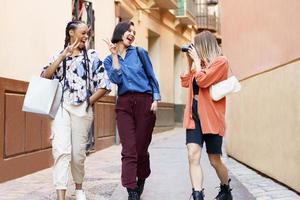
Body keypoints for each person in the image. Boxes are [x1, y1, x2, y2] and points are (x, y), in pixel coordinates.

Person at [41, 20, 111, 200]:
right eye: (83, 33)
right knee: (61, 150)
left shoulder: (93, 56)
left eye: (87, 33)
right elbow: (44, 76)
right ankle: (61, 195)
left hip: (82, 108)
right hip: (61, 108)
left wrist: (89, 102)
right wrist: (62, 57)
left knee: (78, 154)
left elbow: (105, 85)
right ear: (71, 33)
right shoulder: (60, 54)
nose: (86, 37)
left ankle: (79, 188)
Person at [103, 21, 161, 200]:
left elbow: (151, 76)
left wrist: (156, 98)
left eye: (134, 32)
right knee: (129, 149)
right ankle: (131, 190)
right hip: (124, 104)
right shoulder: (108, 59)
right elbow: (116, 79)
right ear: (120, 33)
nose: (132, 34)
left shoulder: (140, 53)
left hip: (145, 101)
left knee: (141, 149)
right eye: (129, 31)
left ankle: (141, 176)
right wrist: (114, 56)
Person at [180, 31, 233, 200]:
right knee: (192, 155)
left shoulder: (221, 62)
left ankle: (226, 189)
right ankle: (197, 195)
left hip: (211, 117)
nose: (194, 49)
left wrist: (196, 62)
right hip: (193, 115)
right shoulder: (198, 63)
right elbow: (185, 81)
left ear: (204, 45)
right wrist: (187, 61)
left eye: (196, 45)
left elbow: (203, 81)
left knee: (214, 160)